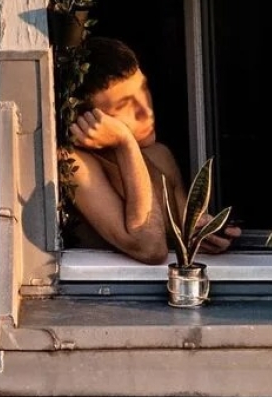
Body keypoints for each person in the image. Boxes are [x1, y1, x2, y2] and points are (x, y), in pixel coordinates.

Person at [60, 37, 241, 264]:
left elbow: (186, 233)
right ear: (85, 121)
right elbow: (150, 248)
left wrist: (209, 234)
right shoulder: (75, 165)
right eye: (124, 105)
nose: (145, 110)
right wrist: (125, 142)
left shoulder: (160, 155)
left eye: (143, 89)